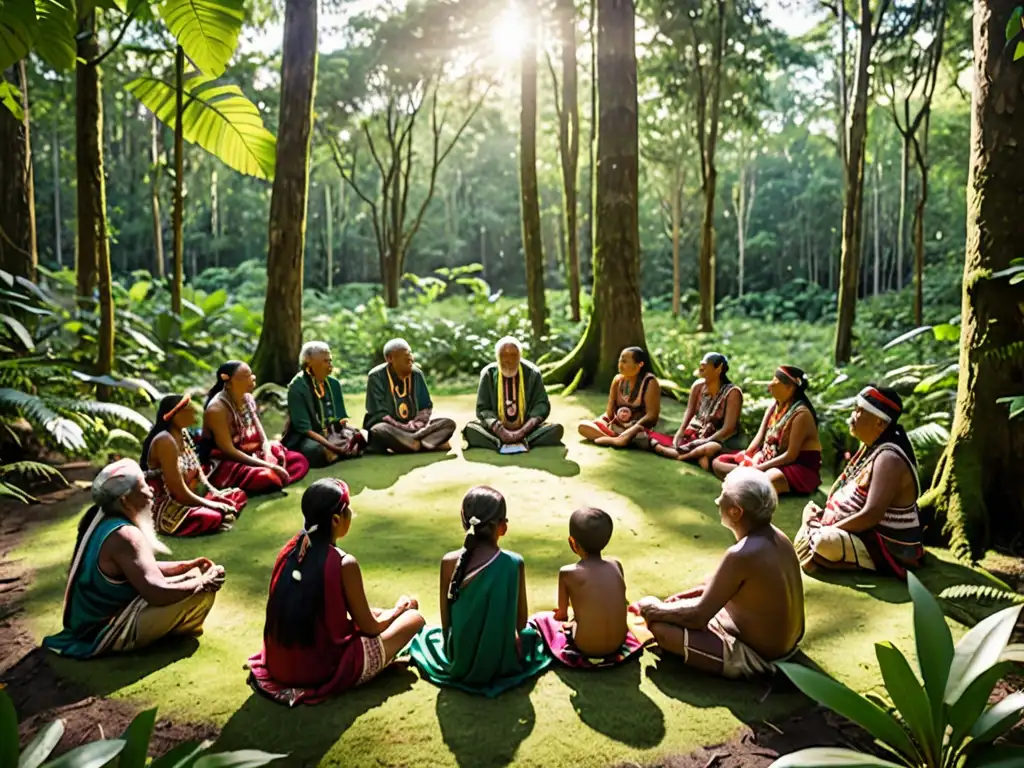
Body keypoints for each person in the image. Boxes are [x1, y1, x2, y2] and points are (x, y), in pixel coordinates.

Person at [247, 479, 426, 705]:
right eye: (348, 509)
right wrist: (399, 610)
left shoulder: (290, 548)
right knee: (414, 617)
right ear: (335, 520)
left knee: (384, 613)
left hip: (278, 665)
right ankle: (382, 655)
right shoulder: (344, 563)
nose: (352, 513)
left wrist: (389, 614)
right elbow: (370, 628)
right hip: (322, 670)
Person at [632, 468, 805, 679]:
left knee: (660, 629)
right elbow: (716, 589)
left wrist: (654, 611)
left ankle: (748, 666)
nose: (717, 500)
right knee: (684, 600)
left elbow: (697, 617)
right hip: (783, 640)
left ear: (736, 512)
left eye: (723, 493)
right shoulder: (780, 537)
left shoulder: (741, 554)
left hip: (760, 654)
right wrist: (675, 603)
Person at [43, 459, 224, 658]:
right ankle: (162, 635)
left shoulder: (104, 519)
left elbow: (138, 569)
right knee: (202, 592)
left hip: (93, 622)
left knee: (193, 576)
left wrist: (184, 567)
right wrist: (203, 582)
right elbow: (156, 592)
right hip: (104, 630)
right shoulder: (125, 535)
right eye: (144, 486)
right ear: (125, 500)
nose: (151, 491)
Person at [408, 486, 552, 695]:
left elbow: (446, 621)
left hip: (458, 658)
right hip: (503, 660)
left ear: (464, 522)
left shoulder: (449, 562)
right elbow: (520, 624)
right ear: (502, 526)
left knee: (428, 637)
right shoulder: (514, 562)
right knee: (533, 634)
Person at [794, 385, 924, 578]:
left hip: (886, 544)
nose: (852, 416)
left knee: (823, 542)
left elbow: (871, 515)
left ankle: (818, 542)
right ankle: (816, 538)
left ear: (879, 423)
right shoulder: (871, 448)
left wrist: (829, 528)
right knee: (810, 513)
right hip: (853, 532)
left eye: (859, 411)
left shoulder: (889, 458)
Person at [530, 507, 646, 668]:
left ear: (572, 542)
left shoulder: (567, 573)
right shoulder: (616, 565)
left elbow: (562, 616)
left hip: (586, 646)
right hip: (619, 643)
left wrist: (562, 616)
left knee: (545, 619)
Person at [141, 394, 247, 536]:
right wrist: (212, 504)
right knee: (213, 516)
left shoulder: (183, 434)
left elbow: (200, 474)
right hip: (170, 506)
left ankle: (220, 515)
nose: (193, 413)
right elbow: (178, 492)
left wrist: (216, 494)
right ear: (174, 416)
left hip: (192, 496)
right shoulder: (165, 441)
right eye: (188, 410)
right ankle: (218, 517)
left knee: (236, 495)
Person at [201, 361, 309, 495]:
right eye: (246, 376)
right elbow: (228, 450)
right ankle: (272, 477)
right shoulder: (216, 410)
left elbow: (260, 433)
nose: (253, 378)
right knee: (267, 477)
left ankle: (275, 476)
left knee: (298, 460)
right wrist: (268, 465)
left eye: (251, 374)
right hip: (230, 462)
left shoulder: (248, 398)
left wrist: (268, 453)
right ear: (228, 383)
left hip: (254, 453)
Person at [712, 365, 822, 495]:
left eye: (775, 382)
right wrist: (748, 455)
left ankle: (748, 482)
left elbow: (790, 456)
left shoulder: (801, 414)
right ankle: (746, 478)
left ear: (790, 388)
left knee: (760, 480)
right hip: (767, 458)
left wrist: (758, 468)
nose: (770, 385)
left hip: (794, 466)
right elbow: (760, 436)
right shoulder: (774, 405)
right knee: (718, 463)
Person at [463, 337, 564, 452]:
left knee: (555, 429)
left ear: (520, 356)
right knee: (470, 429)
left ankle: (524, 439)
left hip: (527, 429)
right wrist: (501, 431)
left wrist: (522, 431)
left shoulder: (532, 372)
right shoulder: (488, 373)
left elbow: (542, 405)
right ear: (497, 357)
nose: (508, 361)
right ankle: (500, 441)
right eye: (504, 356)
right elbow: (483, 408)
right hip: (496, 431)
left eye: (513, 356)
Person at [363, 338, 457, 454]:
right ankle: (426, 443)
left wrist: (416, 426)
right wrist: (404, 428)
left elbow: (425, 407)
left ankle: (412, 443)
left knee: (448, 423)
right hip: (391, 428)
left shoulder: (417, 374)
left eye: (410, 353)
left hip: (414, 428)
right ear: (390, 358)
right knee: (379, 430)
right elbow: (379, 414)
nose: (411, 358)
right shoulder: (376, 376)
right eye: (405, 355)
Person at [652, 353, 744, 469]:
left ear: (718, 368)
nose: (701, 367)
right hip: (693, 435)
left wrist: (704, 441)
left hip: (718, 440)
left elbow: (728, 428)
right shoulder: (697, 386)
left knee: (710, 448)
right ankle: (695, 455)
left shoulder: (733, 393)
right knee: (700, 458)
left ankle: (682, 456)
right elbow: (689, 413)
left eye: (705, 365)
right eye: (701, 364)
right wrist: (679, 433)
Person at [282, 342, 366, 468]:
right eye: (325, 361)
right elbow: (305, 430)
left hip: (333, 434)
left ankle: (340, 452)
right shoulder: (297, 387)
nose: (330, 365)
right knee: (317, 450)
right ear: (309, 362)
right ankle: (339, 452)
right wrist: (332, 447)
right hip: (309, 438)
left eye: (330, 361)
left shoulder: (334, 384)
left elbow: (340, 422)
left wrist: (354, 434)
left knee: (364, 435)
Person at [578, 347, 662, 450]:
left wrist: (630, 430)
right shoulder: (617, 380)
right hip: (616, 428)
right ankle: (616, 439)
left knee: (643, 436)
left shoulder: (650, 382)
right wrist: (601, 422)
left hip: (636, 429)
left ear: (639, 364)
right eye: (619, 361)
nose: (620, 365)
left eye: (624, 361)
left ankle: (618, 439)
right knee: (583, 426)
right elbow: (609, 413)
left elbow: (652, 416)